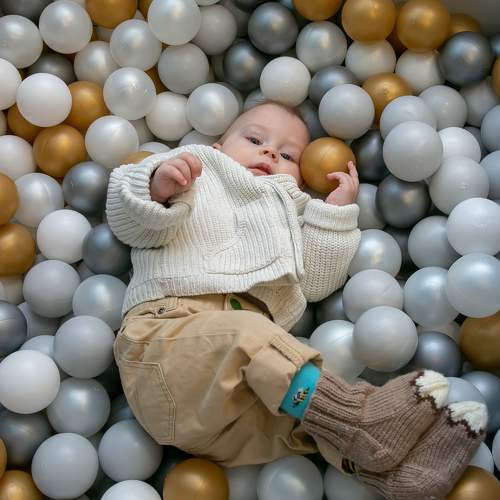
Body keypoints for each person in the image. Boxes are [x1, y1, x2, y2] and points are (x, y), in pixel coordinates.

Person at [106, 102, 487, 499]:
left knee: (306, 419)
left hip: (220, 424)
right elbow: (130, 221)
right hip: (165, 344)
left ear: (301, 180)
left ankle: (401, 474)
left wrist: (332, 215)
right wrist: (157, 185)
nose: (270, 152)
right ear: (218, 146)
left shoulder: (290, 209)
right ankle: (358, 417)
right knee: (250, 337)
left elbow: (314, 283)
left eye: (288, 156)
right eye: (255, 139)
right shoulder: (199, 171)